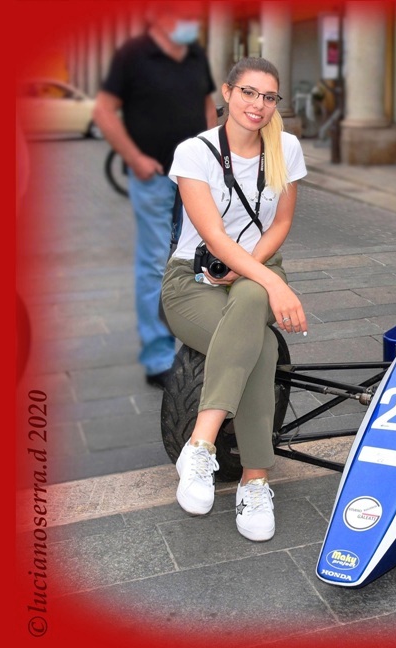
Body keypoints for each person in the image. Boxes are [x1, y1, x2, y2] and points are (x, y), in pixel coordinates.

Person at [159, 57, 307, 542]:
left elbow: (281, 224)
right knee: (260, 347)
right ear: (227, 92)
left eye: (268, 97)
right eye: (248, 93)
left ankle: (200, 446)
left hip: (259, 268)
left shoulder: (286, 148)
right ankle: (255, 479)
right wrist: (277, 286)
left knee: (247, 300)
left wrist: (263, 275)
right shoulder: (193, 153)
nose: (258, 105)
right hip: (191, 280)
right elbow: (216, 239)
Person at [93, 1, 218, 389]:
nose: (190, 22)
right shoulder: (133, 55)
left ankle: (195, 335)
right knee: (153, 262)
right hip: (154, 176)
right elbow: (104, 110)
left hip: (195, 176)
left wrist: (214, 155)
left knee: (197, 254)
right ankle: (157, 355)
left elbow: (207, 105)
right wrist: (134, 157)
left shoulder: (196, 54)